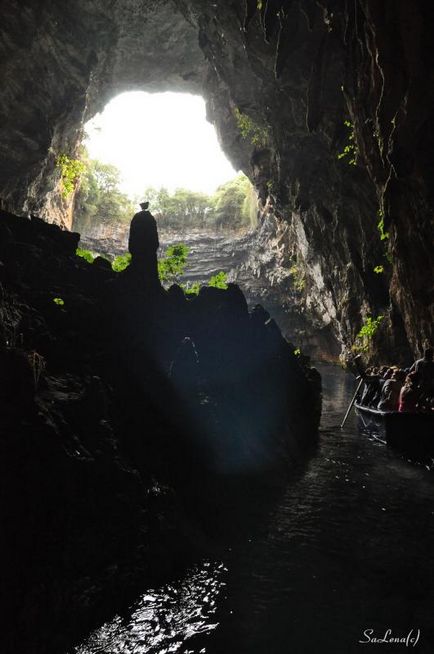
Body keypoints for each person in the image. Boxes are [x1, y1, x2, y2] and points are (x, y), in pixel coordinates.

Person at [128, 201, 160, 289]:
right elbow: (154, 237)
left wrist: (132, 249)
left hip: (137, 252)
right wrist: (154, 247)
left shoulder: (136, 217)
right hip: (149, 254)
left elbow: (132, 235)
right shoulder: (150, 218)